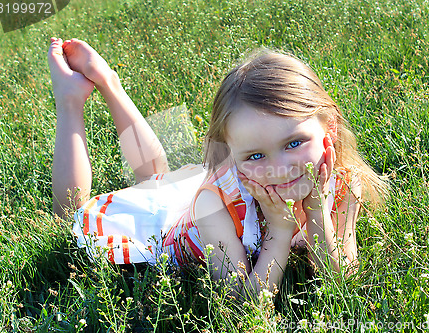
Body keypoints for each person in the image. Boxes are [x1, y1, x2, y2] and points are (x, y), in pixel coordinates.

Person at [48, 37, 387, 297]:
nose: (278, 168)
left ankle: (109, 82)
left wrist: (316, 210)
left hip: (198, 199)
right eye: (255, 155)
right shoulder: (216, 203)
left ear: (328, 128)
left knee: (156, 181)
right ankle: (70, 100)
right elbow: (240, 300)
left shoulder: (342, 182)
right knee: (72, 215)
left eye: (294, 143)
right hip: (172, 232)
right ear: (231, 153)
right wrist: (281, 232)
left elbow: (340, 281)